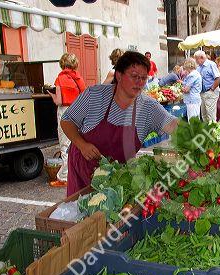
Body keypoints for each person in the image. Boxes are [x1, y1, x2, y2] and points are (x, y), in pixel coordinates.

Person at [61, 51, 179, 196]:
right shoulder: (94, 95)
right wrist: (82, 144)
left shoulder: (149, 107)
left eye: (143, 78)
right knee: (80, 214)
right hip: (83, 170)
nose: (140, 83)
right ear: (119, 75)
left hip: (117, 178)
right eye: (134, 76)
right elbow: (67, 120)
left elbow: (173, 125)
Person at [48, 53, 86, 188]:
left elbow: (58, 101)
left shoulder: (60, 79)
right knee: (77, 144)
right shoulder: (79, 78)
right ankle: (78, 173)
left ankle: (64, 177)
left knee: (65, 145)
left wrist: (51, 94)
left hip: (65, 112)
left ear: (62, 63)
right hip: (79, 112)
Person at [194, 50, 220, 122]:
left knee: (210, 114)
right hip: (202, 93)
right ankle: (207, 130)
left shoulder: (211, 64)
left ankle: (213, 132)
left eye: (196, 59)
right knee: (204, 114)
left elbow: (218, 78)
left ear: (202, 57)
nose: (196, 61)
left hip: (210, 92)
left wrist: (212, 89)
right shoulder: (199, 67)